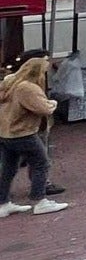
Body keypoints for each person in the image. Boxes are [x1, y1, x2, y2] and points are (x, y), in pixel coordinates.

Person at [0, 54, 65, 215]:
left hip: (6, 132)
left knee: (8, 169)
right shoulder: (28, 87)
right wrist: (53, 104)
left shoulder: (10, 82)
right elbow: (43, 108)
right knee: (41, 164)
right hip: (23, 132)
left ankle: (3, 203)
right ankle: (39, 200)